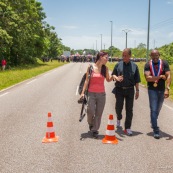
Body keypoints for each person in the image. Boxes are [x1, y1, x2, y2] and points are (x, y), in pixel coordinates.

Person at [80, 51, 113, 138]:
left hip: (102, 95)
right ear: (101, 57)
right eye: (106, 58)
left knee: (99, 114)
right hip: (91, 93)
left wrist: (114, 77)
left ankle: (95, 129)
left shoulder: (105, 69)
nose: (107, 59)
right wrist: (82, 93)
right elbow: (87, 80)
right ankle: (91, 124)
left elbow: (108, 79)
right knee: (90, 111)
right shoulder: (90, 67)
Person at [112, 48, 141, 136]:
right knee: (118, 107)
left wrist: (137, 91)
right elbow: (113, 75)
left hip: (130, 90)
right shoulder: (118, 65)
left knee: (129, 109)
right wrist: (116, 78)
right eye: (123, 55)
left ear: (130, 56)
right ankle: (118, 118)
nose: (124, 57)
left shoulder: (135, 66)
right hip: (119, 89)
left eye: (126, 55)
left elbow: (137, 80)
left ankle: (127, 128)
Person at [144, 49, 171, 139]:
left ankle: (153, 120)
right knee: (153, 109)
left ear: (159, 55)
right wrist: (160, 76)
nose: (155, 57)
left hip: (162, 89)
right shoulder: (148, 64)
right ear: (150, 56)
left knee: (158, 109)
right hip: (152, 90)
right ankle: (156, 129)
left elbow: (168, 76)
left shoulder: (164, 63)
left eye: (156, 55)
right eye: (153, 55)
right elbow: (148, 78)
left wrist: (167, 89)